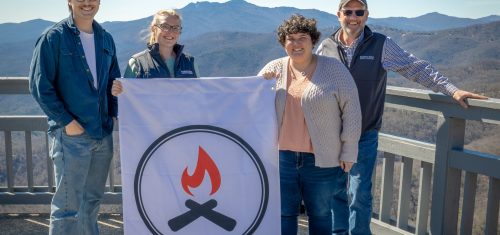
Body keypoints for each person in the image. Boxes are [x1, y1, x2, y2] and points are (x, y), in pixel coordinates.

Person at [316, 0, 489, 234]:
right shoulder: (325, 47)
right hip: (331, 134)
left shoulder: (380, 44)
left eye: (359, 12)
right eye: (348, 12)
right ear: (339, 15)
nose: (353, 17)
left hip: (364, 133)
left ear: (367, 15)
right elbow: (310, 82)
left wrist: (452, 90)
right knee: (336, 193)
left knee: (359, 195)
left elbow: (415, 67)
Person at [259, 14, 362, 235]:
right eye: (290, 39)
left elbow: (352, 111)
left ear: (313, 40)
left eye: (302, 38)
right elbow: (250, 103)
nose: (296, 44)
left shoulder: (333, 69)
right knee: (283, 213)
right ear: (283, 43)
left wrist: (349, 150)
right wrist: (261, 84)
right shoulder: (274, 69)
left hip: (321, 159)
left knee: (321, 214)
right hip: (281, 157)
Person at [28, 0, 120, 234]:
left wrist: (113, 113)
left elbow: (113, 81)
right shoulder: (53, 37)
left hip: (102, 134)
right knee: (67, 209)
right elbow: (40, 87)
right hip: (71, 137)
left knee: (91, 205)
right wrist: (68, 123)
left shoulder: (105, 38)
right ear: (69, 1)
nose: (87, 3)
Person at [111, 9, 198, 96]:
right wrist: (117, 92)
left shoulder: (190, 62)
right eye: (165, 26)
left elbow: (200, 95)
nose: (171, 32)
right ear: (154, 29)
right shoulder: (137, 62)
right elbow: (127, 99)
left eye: (176, 28)